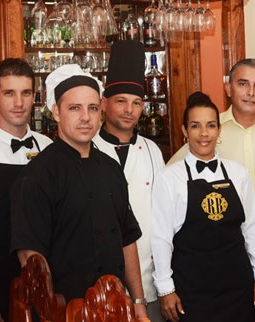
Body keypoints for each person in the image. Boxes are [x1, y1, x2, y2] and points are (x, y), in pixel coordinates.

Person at [9, 64, 148, 318]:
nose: (85, 117)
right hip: (65, 312)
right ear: (56, 112)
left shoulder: (110, 168)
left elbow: (127, 239)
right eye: (75, 108)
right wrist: (52, 311)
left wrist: (138, 303)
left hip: (116, 309)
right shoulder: (37, 175)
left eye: (92, 108)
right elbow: (31, 257)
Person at [168, 58, 255, 322]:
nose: (251, 92)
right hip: (226, 249)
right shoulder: (209, 128)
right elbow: (173, 173)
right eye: (243, 84)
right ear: (228, 88)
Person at [151, 91, 255, 322]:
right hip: (191, 291)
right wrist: (166, 288)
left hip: (237, 286)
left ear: (219, 130)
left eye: (211, 125)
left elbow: (252, 229)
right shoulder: (169, 178)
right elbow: (161, 238)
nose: (204, 134)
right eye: (195, 126)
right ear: (185, 131)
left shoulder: (238, 173)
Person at [93, 40, 166, 322]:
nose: (129, 110)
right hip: (99, 286)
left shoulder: (152, 150)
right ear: (103, 104)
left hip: (150, 283)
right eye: (121, 101)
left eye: (136, 103)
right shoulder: (88, 149)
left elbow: (164, 215)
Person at [0, 58, 52, 322]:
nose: (19, 102)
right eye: (9, 93)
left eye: (26, 93)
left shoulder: (49, 148)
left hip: (47, 289)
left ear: (35, 96)